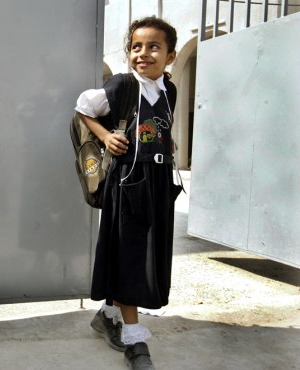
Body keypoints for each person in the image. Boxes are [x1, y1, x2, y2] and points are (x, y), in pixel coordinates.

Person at [75, 16, 179, 370]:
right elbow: (83, 108)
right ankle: (135, 340)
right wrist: (105, 136)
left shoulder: (171, 90)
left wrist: (167, 141)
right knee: (131, 258)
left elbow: (156, 126)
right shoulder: (122, 86)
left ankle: (107, 315)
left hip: (159, 184)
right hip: (128, 184)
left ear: (171, 56)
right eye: (136, 47)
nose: (143, 54)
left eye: (154, 47)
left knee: (141, 255)